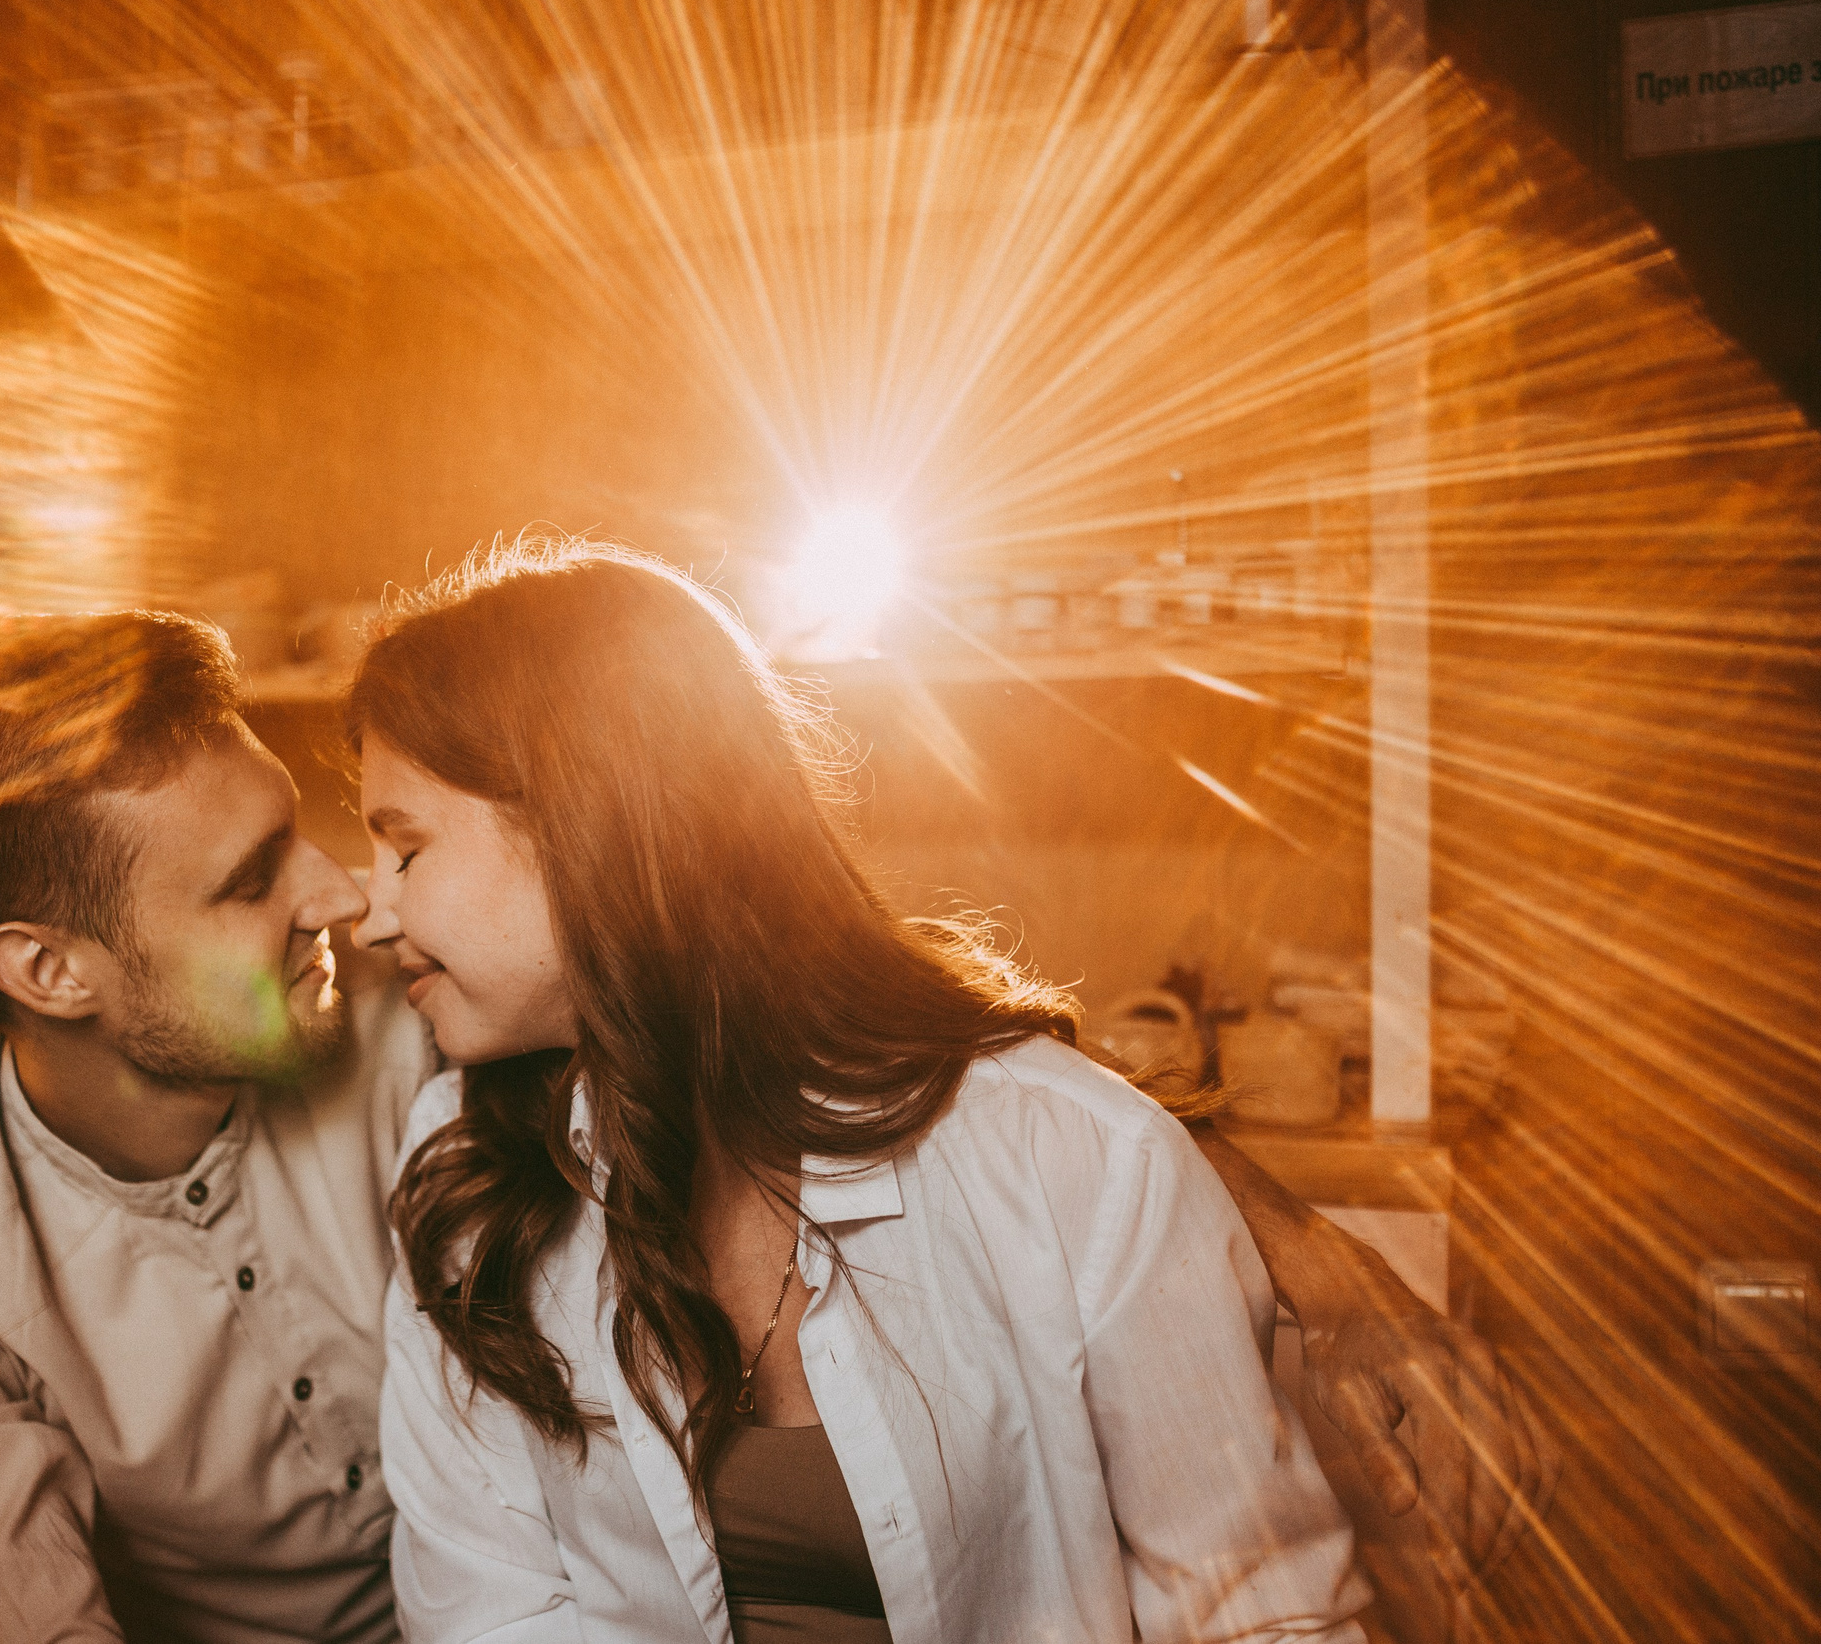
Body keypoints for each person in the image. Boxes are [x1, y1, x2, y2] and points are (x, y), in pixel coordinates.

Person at [0, 604, 1547, 1643]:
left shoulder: (432, 1051)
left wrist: (1290, 1246)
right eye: (260, 878)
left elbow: (828, 1031)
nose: (348, 896)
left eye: (369, 839)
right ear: (50, 968)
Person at [355, 541, 1535, 1644]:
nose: (372, 910)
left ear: (585, 822)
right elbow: (491, 1613)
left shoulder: (1068, 1156)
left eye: (405, 847)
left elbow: (1256, 1612)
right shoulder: (466, 1168)